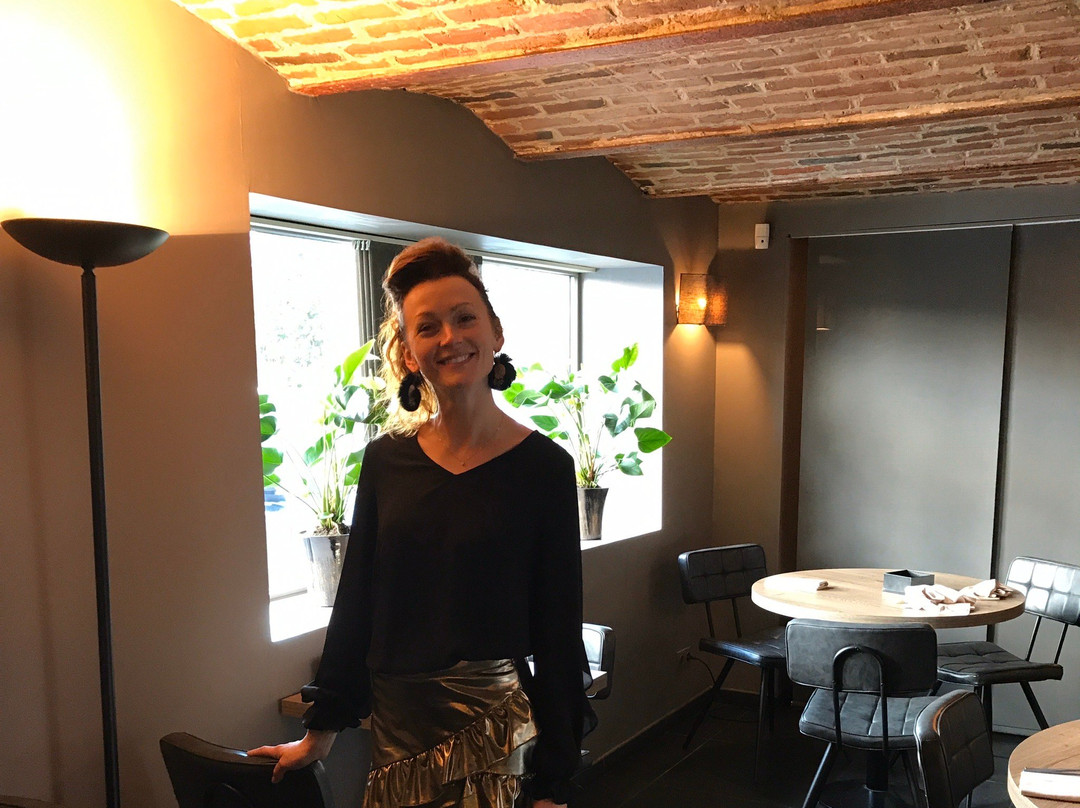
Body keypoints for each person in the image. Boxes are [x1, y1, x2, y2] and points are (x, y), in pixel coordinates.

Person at [249, 237, 595, 808]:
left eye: (465, 319)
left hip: (495, 730)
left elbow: (559, 626)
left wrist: (555, 782)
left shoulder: (545, 468)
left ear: (495, 333)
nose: (450, 338)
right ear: (408, 352)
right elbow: (357, 601)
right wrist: (320, 732)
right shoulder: (385, 460)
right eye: (428, 327)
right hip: (398, 733)